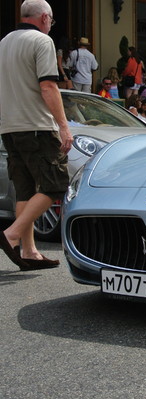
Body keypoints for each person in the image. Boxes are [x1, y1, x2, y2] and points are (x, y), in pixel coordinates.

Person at [0, 0, 73, 271]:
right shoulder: (42, 42)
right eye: (51, 21)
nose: (50, 26)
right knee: (56, 184)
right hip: (37, 126)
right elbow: (48, 86)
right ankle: (11, 234)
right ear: (45, 18)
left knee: (26, 189)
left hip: (9, 127)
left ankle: (29, 252)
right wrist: (64, 126)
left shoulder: (4, 42)